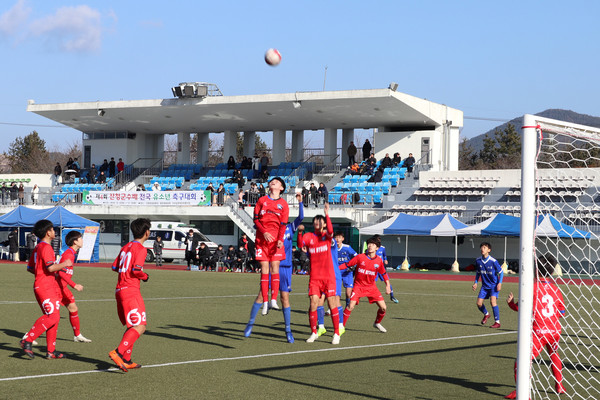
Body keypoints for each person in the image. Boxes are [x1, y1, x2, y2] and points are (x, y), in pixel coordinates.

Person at [504, 254, 566, 399]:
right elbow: (562, 312)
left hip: (539, 332)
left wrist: (511, 304)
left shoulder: (531, 287)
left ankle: (522, 392)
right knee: (554, 355)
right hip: (555, 331)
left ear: (536, 269)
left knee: (521, 361)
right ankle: (560, 386)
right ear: (551, 272)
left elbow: (521, 309)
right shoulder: (556, 289)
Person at [245, 193, 303, 343]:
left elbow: (300, 218)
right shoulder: (271, 229)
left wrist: (301, 203)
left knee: (285, 298)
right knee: (260, 295)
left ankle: (288, 330)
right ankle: (250, 324)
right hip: (271, 264)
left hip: (285, 268)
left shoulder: (290, 228)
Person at [20, 219, 74, 359]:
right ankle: (28, 339)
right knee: (53, 316)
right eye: (52, 229)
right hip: (46, 287)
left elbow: (30, 268)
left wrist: (42, 274)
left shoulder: (38, 247)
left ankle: (51, 351)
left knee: (54, 317)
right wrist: (64, 264)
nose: (54, 231)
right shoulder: (46, 247)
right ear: (47, 232)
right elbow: (50, 267)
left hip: (43, 285)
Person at [108, 218, 151, 372]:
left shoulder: (125, 247)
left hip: (119, 290)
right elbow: (136, 270)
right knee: (140, 326)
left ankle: (126, 359)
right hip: (130, 290)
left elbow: (114, 267)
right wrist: (145, 276)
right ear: (147, 232)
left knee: (132, 325)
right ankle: (118, 352)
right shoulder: (141, 249)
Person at [297, 203, 341, 344]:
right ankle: (314, 332)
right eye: (315, 220)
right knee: (313, 304)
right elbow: (299, 245)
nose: (317, 222)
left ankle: (336, 333)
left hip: (329, 277)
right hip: (315, 278)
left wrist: (327, 214)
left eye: (320, 220)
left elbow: (331, 230)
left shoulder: (327, 237)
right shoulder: (309, 236)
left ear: (323, 224)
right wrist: (299, 232)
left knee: (332, 303)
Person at [252, 177, 289, 316]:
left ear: (281, 188)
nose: (273, 182)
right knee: (264, 268)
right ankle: (265, 302)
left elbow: (283, 225)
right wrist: (264, 232)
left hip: (275, 242)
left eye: (277, 181)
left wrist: (280, 240)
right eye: (272, 181)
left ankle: (273, 299)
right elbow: (255, 219)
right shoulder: (262, 200)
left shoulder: (283, 204)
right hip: (262, 240)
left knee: (275, 267)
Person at [339, 236, 391, 333]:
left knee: (383, 308)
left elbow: (383, 273)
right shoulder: (360, 257)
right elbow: (347, 265)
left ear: (377, 248)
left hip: (371, 287)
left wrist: (387, 285)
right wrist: (335, 269)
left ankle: (377, 323)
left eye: (373, 244)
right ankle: (341, 327)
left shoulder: (379, 261)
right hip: (358, 286)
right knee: (350, 305)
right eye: (369, 244)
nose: (370, 246)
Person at [55, 230, 92, 343]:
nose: (82, 240)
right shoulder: (69, 254)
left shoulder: (71, 253)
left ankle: (77, 335)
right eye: (80, 238)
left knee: (73, 308)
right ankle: (29, 336)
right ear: (75, 241)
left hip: (63, 288)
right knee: (51, 316)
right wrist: (74, 285)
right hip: (56, 288)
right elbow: (61, 273)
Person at [472, 242, 503, 328]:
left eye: (485, 247)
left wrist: (499, 283)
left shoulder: (493, 261)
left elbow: (501, 272)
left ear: (489, 250)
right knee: (479, 303)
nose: (482, 249)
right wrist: (475, 282)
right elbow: (478, 273)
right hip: (484, 286)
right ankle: (486, 314)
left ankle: (497, 322)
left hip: (493, 285)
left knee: (493, 302)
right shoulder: (478, 261)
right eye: (481, 247)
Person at [334, 232, 358, 306]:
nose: (337, 239)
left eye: (339, 237)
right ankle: (333, 308)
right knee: (336, 293)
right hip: (336, 272)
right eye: (336, 237)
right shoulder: (332, 247)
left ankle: (347, 308)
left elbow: (356, 256)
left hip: (347, 272)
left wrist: (354, 265)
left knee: (348, 293)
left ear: (343, 239)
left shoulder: (347, 247)